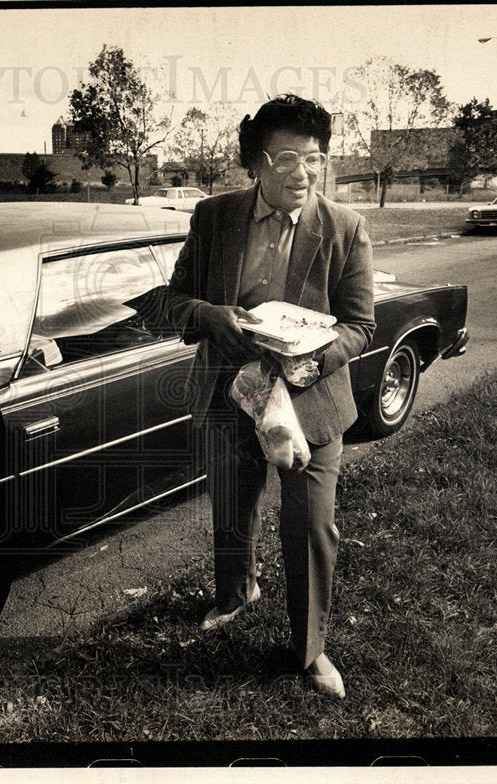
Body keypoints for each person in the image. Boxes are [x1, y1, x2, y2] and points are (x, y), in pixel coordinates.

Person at [162, 95, 376, 698]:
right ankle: (236, 592)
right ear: (256, 161)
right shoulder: (213, 217)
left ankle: (310, 652)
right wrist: (210, 313)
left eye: (315, 158)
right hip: (231, 393)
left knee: (310, 525)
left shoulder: (346, 229)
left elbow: (361, 326)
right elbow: (172, 303)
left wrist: (310, 361)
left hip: (310, 400)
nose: (303, 172)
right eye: (288, 158)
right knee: (233, 509)